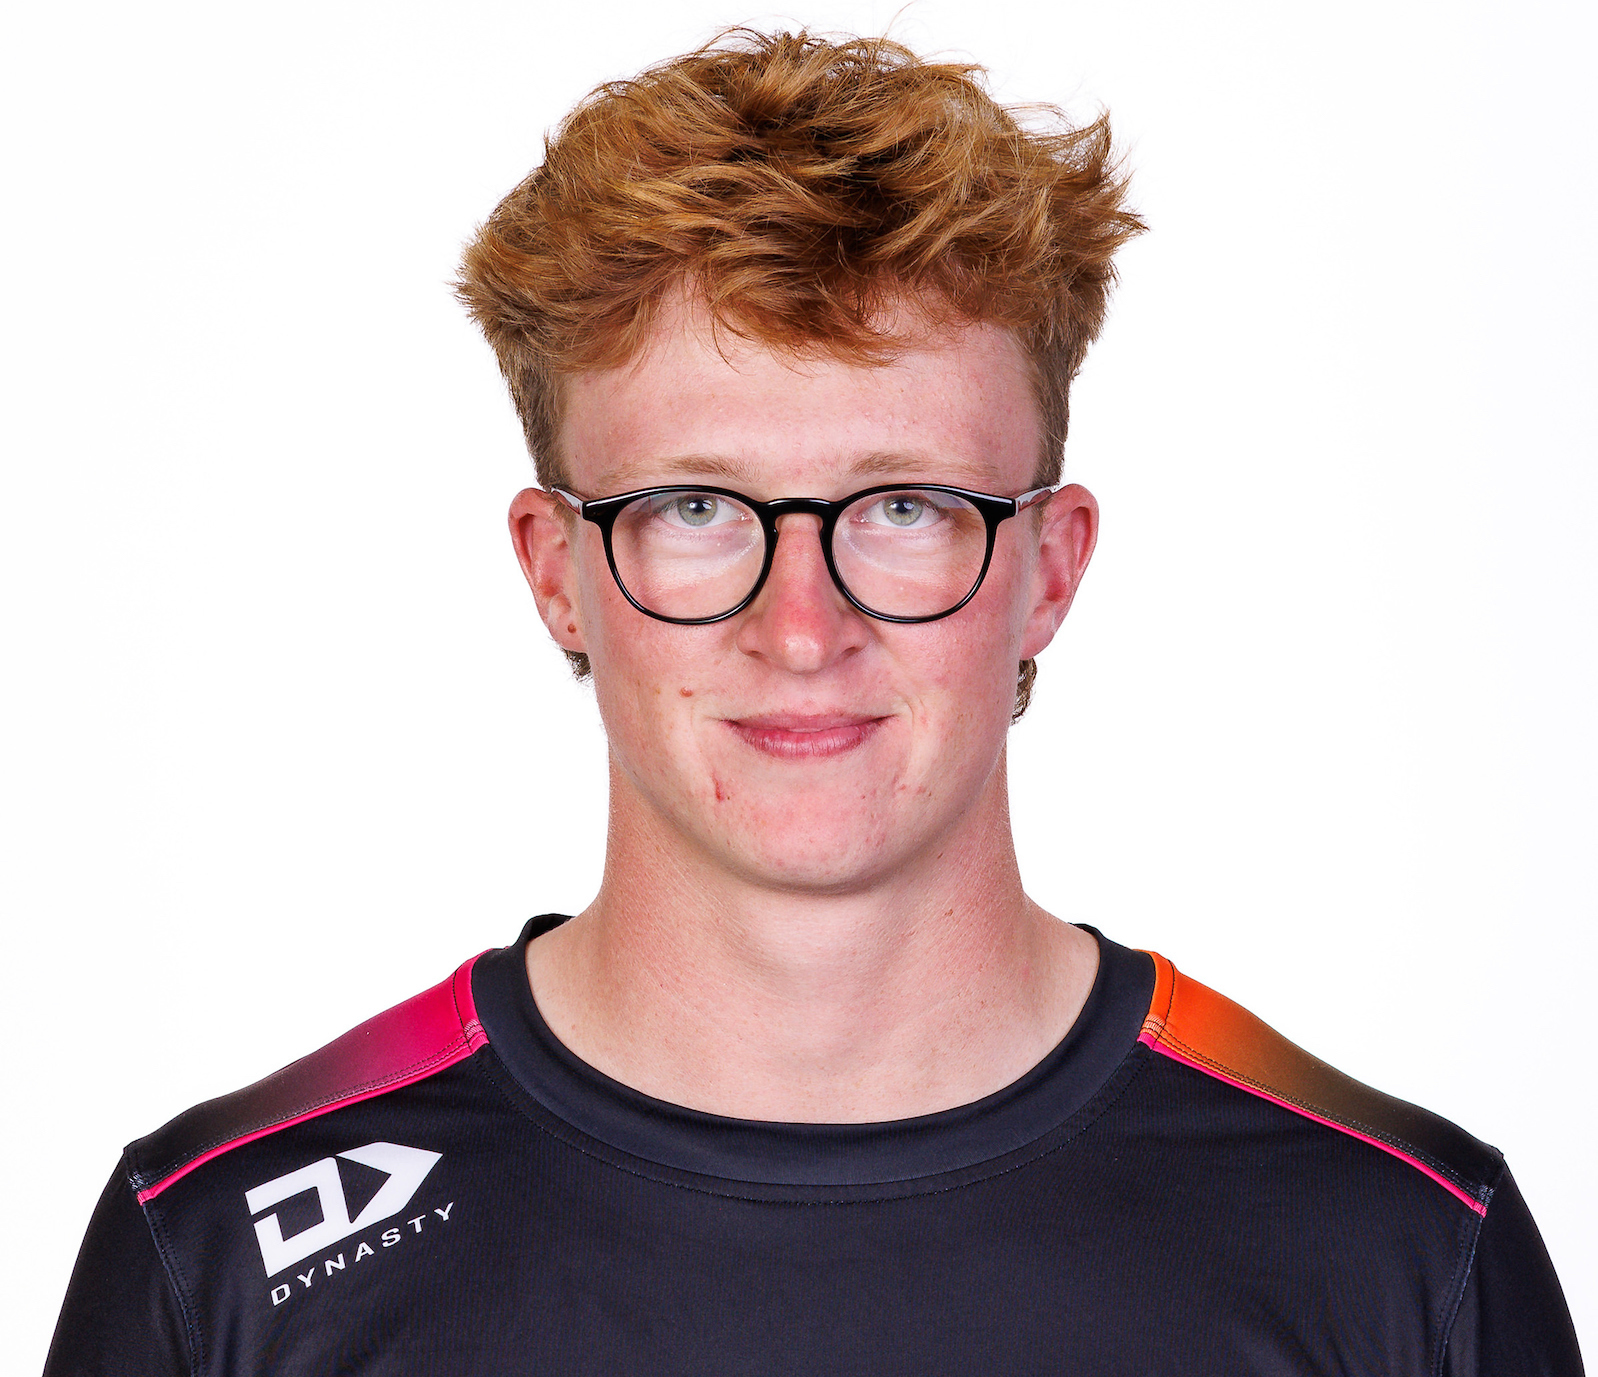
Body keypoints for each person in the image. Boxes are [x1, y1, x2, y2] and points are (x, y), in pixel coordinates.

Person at [45, 28, 1582, 1376]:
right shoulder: (222, 1253)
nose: (800, 628)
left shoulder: (1397, 1244)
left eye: (904, 506)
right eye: (696, 508)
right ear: (556, 571)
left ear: (1049, 568)